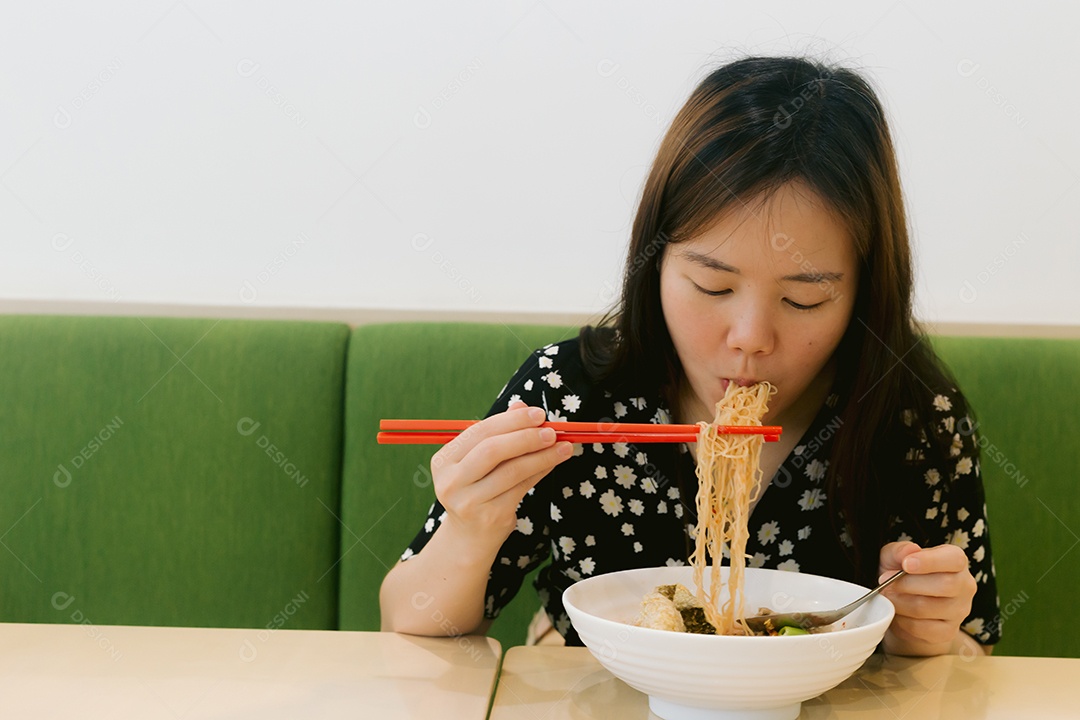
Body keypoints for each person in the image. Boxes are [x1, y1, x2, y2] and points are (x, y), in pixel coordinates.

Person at [379, 55, 1000, 656]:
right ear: (656, 262)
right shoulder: (567, 394)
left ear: (865, 289)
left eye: (805, 299)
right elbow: (407, 624)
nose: (751, 336)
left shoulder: (915, 416)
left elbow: (974, 652)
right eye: (713, 287)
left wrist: (928, 634)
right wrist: (469, 530)